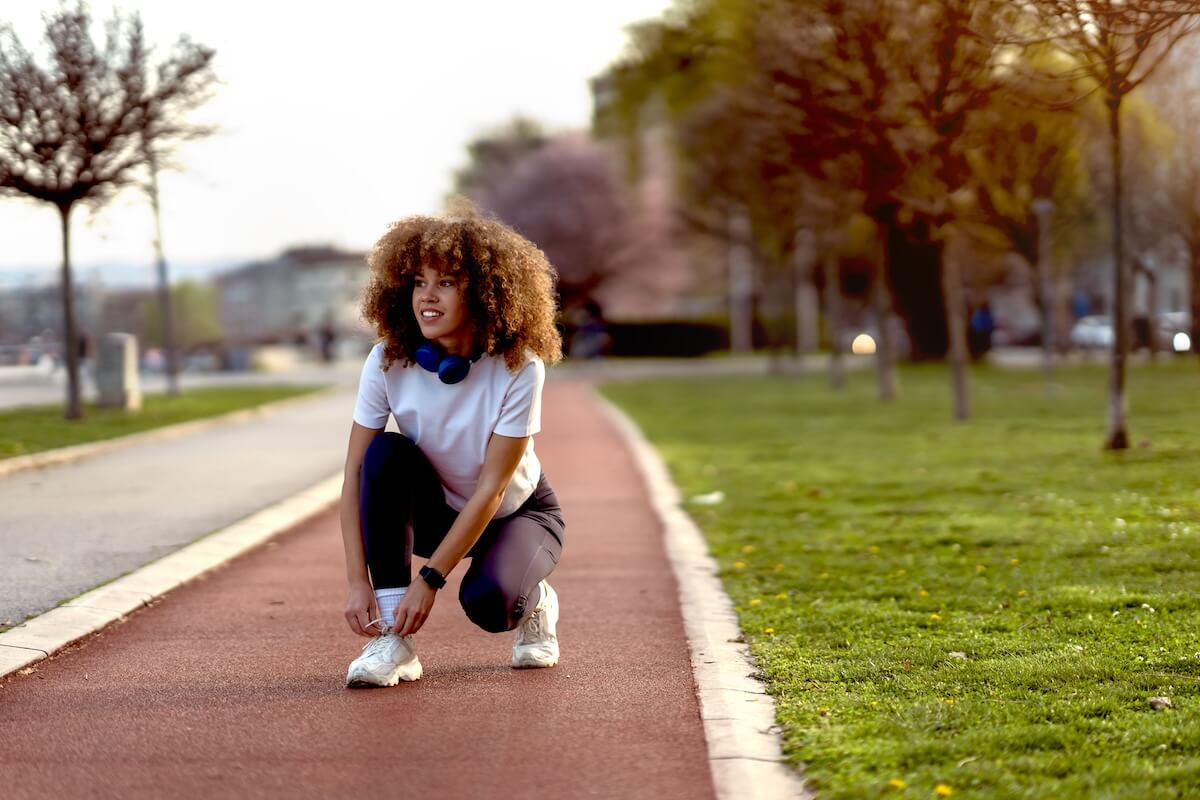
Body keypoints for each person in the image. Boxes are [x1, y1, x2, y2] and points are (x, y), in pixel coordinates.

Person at [340, 208, 565, 687]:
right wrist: (359, 581)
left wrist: (430, 581)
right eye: (419, 282)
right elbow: (354, 477)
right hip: (435, 512)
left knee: (488, 605)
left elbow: (490, 491)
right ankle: (393, 642)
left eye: (446, 282)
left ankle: (535, 599)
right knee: (384, 456)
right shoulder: (386, 359)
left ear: (485, 293)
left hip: (513, 513)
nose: (427, 295)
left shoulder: (519, 367)